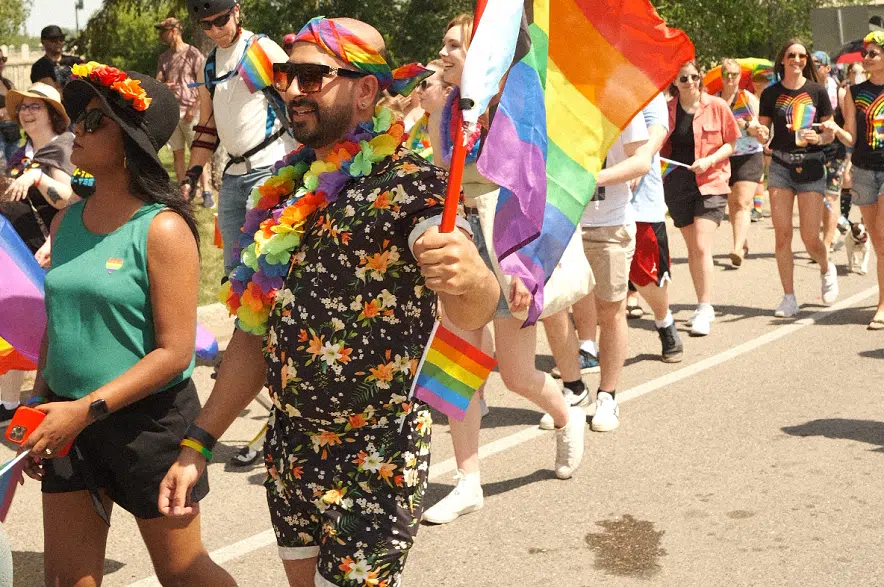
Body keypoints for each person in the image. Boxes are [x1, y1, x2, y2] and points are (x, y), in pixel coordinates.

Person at [158, 17, 502, 587]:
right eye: (287, 75)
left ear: (366, 90)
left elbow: (470, 307)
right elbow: (252, 333)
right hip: (291, 449)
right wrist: (199, 441)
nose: (292, 89)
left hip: (375, 453)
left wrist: (469, 278)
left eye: (313, 77)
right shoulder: (290, 186)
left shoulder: (412, 185)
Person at [21, 63, 235, 587]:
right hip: (68, 419)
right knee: (66, 581)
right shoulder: (65, 221)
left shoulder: (162, 229)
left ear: (130, 144)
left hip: (148, 426)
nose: (76, 130)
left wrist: (84, 409)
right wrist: (39, 403)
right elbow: (59, 322)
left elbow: (174, 352)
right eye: (80, 118)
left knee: (184, 575)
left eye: (95, 121)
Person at [421, 13, 587, 526]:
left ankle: (566, 415)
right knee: (458, 367)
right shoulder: (450, 106)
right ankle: (468, 481)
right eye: (445, 44)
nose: (444, 53)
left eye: (456, 45)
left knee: (516, 376)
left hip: (509, 245)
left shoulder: (517, 103)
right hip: (463, 244)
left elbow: (534, 190)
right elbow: (440, 174)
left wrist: (525, 269)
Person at [181, 0, 295, 273]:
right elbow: (207, 128)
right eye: (206, 25)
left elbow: (298, 101)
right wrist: (191, 176)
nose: (215, 30)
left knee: (269, 267)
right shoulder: (208, 66)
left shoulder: (261, 50)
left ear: (237, 11)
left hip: (270, 168)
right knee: (235, 273)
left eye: (221, 21)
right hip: (232, 178)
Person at [758, 39, 839, 318]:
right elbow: (764, 131)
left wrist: (821, 136)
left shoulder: (817, 91)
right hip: (780, 165)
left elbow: (829, 132)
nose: (796, 59)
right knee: (782, 236)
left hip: (812, 166)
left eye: (802, 56)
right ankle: (789, 297)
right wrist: (758, 133)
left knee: (809, 237)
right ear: (783, 59)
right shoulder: (770, 94)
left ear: (807, 61)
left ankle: (827, 268)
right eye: (791, 55)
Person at [662, 61, 739, 336]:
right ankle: (702, 303)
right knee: (693, 249)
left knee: (701, 245)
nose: (690, 82)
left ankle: (704, 307)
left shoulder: (717, 107)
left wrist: (710, 160)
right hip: (677, 184)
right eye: (684, 78)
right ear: (675, 82)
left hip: (711, 183)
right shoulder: (666, 110)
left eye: (695, 77)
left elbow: (732, 141)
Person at [625, 93, 684, 363]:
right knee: (590, 276)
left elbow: (657, 132)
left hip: (640, 200)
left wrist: (637, 164)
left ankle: (664, 321)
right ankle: (587, 347)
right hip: (593, 200)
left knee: (645, 275)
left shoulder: (647, 87)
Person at [1, 83, 74, 261]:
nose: (26, 112)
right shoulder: (21, 154)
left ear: (51, 114)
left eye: (35, 106)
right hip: (18, 250)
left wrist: (38, 177)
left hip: (52, 253)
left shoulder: (63, 148)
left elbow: (70, 201)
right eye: (23, 107)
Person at [841, 31, 884, 329]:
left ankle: (882, 305)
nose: (866, 58)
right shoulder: (854, 93)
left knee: (883, 230)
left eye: (873, 53)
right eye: (864, 54)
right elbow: (851, 136)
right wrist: (831, 130)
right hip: (863, 170)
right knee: (879, 242)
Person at [155, 16, 214, 208]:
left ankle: (206, 192)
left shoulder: (193, 54)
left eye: (164, 30)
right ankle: (184, 193)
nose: (161, 35)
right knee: (177, 154)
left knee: (199, 152)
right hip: (172, 112)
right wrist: (165, 85)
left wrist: (194, 108)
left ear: (175, 31)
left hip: (191, 112)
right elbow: (157, 83)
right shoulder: (164, 58)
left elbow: (203, 84)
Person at [718, 58, 765, 267]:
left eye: (734, 74)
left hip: (750, 154)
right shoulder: (714, 100)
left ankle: (736, 249)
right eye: (726, 74)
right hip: (724, 156)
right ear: (721, 77)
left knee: (743, 202)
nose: (730, 78)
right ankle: (742, 242)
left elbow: (762, 129)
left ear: (740, 77)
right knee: (733, 204)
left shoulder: (747, 98)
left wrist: (748, 126)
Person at [814, 51, 852, 254]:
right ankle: (836, 230)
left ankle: (826, 243)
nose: (812, 67)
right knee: (817, 198)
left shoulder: (840, 92)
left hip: (835, 152)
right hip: (812, 151)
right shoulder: (806, 90)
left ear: (828, 68)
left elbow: (848, 125)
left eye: (817, 64)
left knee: (831, 196)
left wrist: (850, 156)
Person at [411, 59, 450, 162]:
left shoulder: (459, 131)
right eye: (418, 84)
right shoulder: (418, 128)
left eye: (425, 84)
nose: (418, 91)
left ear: (447, 92)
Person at [30, 25, 83, 90]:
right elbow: (50, 92)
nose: (58, 42)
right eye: (53, 39)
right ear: (43, 41)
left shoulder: (76, 61)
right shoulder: (39, 67)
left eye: (61, 39)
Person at [0, 50, 19, 163]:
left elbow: (18, 104)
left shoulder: (7, 83)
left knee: (15, 168)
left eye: (3, 59)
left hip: (13, 132)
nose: (2, 62)